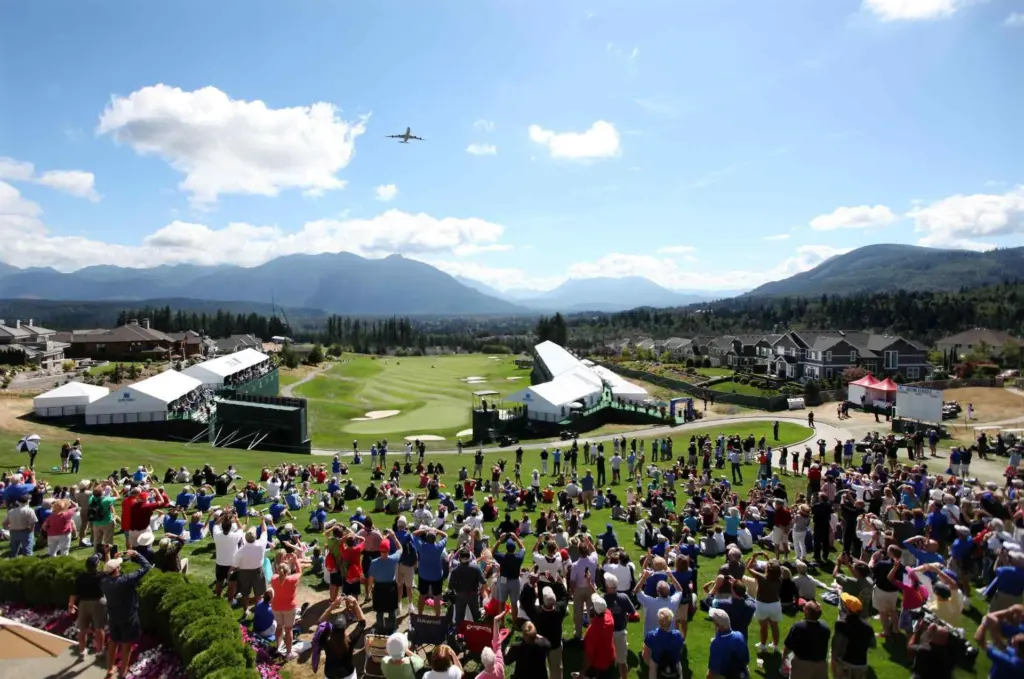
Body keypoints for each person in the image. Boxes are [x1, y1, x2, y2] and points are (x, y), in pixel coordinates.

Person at [101, 550, 152, 679]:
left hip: (113, 617)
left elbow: (111, 573)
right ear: (117, 569)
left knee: (113, 641)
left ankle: (110, 668)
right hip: (128, 617)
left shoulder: (104, 581)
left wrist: (113, 559)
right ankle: (123, 672)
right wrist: (137, 554)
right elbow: (147, 567)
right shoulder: (126, 581)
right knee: (126, 644)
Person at [519, 578, 568, 679]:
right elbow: (565, 596)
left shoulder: (537, 612)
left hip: (540, 644)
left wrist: (529, 584)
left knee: (539, 670)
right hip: (555, 644)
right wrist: (556, 582)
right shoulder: (560, 609)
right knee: (556, 672)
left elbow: (524, 601)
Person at [312, 597, 367, 679]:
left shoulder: (325, 641)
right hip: (348, 675)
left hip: (330, 675)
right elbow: (362, 623)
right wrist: (355, 604)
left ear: (332, 630)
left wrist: (332, 606)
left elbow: (320, 623)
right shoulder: (350, 641)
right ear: (345, 629)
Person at [68, 553, 107, 656]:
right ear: (97, 565)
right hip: (98, 603)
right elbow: (109, 568)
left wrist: (71, 604)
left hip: (83, 604)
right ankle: (100, 650)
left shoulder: (81, 577)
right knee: (99, 628)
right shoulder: (101, 576)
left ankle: (82, 651)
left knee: (83, 629)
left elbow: (74, 593)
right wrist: (107, 554)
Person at [831, 594, 876, 679]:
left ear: (848, 609)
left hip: (846, 664)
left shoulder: (841, 624)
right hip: (861, 665)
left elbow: (836, 644)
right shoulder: (868, 626)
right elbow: (872, 644)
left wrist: (834, 660)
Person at [782, 600, 829, 679]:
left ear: (806, 611)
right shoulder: (825, 628)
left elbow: (788, 646)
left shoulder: (798, 627)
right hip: (821, 665)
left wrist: (783, 658)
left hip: (802, 665)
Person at [603, 573, 637, 679]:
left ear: (607, 586)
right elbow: (633, 612)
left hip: (607, 634)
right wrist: (625, 615)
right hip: (621, 633)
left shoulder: (601, 599)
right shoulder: (623, 597)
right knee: (622, 662)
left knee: (606, 661)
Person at [271, 552, 303, 659]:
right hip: (289, 607)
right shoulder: (292, 579)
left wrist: (282, 561)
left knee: (279, 626)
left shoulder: (274, 578)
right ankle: (289, 653)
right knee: (289, 629)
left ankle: (278, 646)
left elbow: (278, 571)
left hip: (276, 607)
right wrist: (296, 561)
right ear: (288, 571)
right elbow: (299, 572)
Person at [707, 607, 750, 679]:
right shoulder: (739, 635)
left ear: (717, 625)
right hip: (742, 673)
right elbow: (746, 660)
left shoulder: (716, 644)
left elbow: (713, 671)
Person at [581, 593, 616, 679]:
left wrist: (582, 673)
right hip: (610, 658)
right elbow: (603, 608)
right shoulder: (609, 616)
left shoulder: (591, 632)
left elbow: (589, 658)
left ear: (593, 611)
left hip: (599, 665)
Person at [643, 607, 685, 679]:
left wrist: (654, 666)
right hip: (674, 666)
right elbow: (680, 651)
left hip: (656, 665)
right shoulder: (678, 635)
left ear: (659, 621)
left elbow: (645, 656)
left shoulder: (651, 636)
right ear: (671, 621)